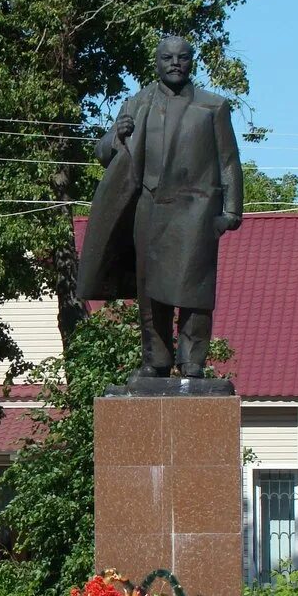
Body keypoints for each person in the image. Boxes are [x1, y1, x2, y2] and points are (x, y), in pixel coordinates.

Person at [76, 36, 243, 379]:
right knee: (150, 292)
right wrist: (115, 135)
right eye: (167, 57)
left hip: (196, 211)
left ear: (191, 62)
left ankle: (193, 361)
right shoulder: (137, 104)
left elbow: (229, 160)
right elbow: (103, 154)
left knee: (194, 291)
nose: (175, 63)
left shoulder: (213, 106)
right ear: (157, 63)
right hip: (149, 208)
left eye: (182, 57)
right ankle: (156, 360)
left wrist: (231, 211)